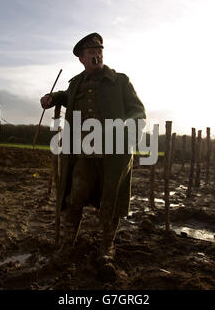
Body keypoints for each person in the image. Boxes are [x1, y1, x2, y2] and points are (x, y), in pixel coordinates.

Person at [40, 32, 146, 275]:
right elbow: (67, 98)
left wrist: (125, 138)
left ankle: (107, 248)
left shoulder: (119, 81)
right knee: (73, 199)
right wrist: (51, 98)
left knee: (110, 202)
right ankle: (67, 247)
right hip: (83, 153)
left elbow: (138, 112)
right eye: (91, 53)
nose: (96, 55)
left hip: (113, 155)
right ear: (81, 59)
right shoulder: (76, 83)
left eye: (99, 51)